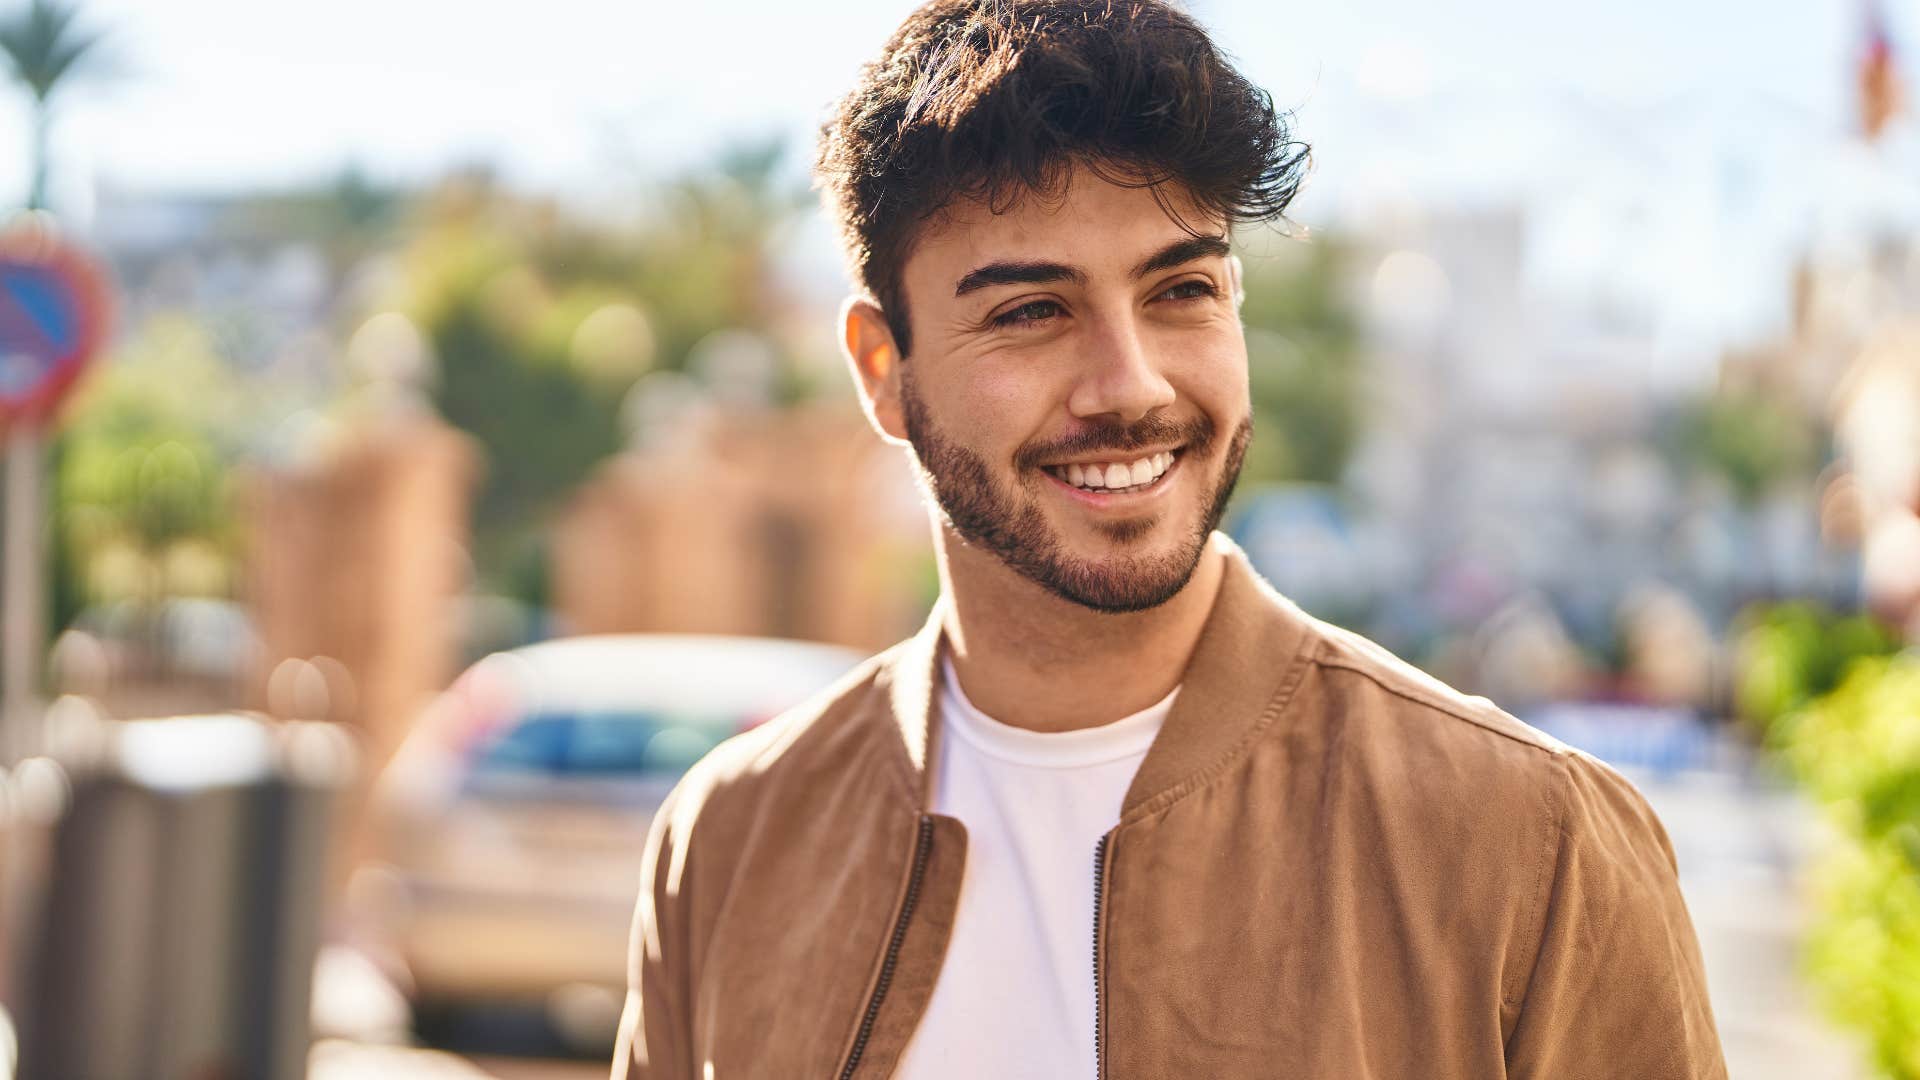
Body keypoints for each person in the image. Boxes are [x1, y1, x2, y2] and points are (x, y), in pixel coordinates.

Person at [613, 1, 1729, 1076]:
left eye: (1182, 290)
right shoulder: (730, 841)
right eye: (1030, 310)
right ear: (882, 371)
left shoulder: (1530, 843)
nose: (1132, 385)